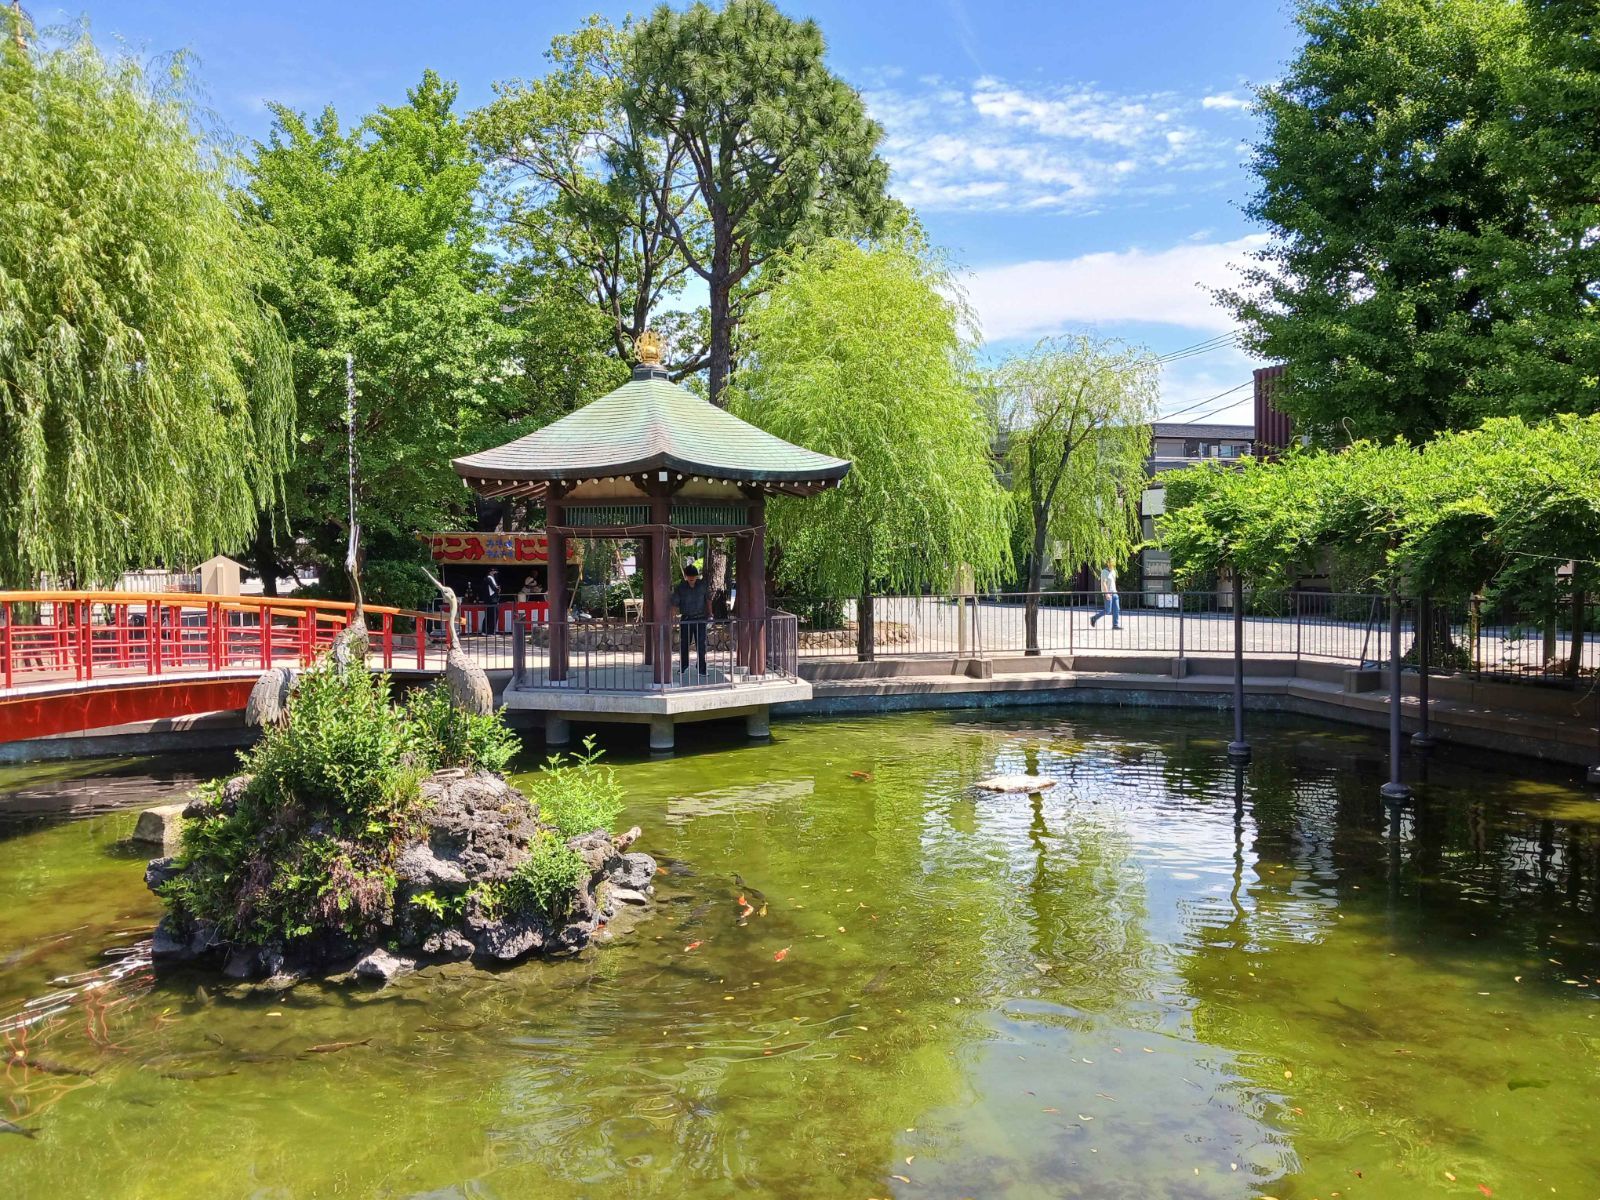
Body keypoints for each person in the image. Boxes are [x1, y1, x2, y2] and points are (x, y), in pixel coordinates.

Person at [671, 560, 710, 675]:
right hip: (686, 618)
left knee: (701, 644)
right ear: (686, 576)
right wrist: (673, 617)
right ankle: (683, 666)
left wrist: (711, 614)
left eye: (693, 576)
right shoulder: (681, 587)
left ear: (696, 576)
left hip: (700, 618)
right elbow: (674, 603)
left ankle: (702, 668)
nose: (691, 578)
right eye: (689, 576)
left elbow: (708, 600)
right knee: (684, 644)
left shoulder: (702, 585)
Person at [1089, 558, 1121, 629]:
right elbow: (1104, 583)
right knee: (1108, 610)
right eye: (1111, 562)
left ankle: (1115, 625)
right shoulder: (1104, 572)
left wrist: (1115, 591)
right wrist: (1106, 593)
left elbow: (1113, 582)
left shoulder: (1114, 571)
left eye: (1113, 562)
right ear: (1108, 563)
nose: (1112, 564)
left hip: (1114, 593)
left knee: (1117, 609)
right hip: (1108, 593)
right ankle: (1094, 618)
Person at [482, 568, 501, 638]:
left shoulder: (486, 578)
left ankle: (484, 631)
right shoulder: (490, 578)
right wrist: (498, 589)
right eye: (494, 571)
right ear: (491, 572)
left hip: (488, 600)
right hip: (492, 600)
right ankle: (490, 632)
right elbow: (494, 588)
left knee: (488, 615)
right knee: (493, 615)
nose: (496, 573)